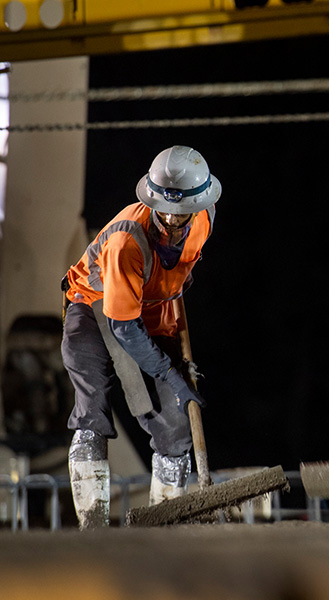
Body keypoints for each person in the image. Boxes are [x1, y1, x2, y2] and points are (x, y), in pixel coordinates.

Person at [60, 145, 221, 529]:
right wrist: (169, 374)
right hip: (96, 309)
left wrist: (175, 375)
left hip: (151, 317)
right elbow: (122, 328)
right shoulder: (125, 243)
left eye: (179, 214)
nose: (168, 220)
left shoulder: (205, 220)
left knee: (176, 426)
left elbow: (179, 275)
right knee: (93, 408)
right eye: (162, 209)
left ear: (197, 207)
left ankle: (159, 528)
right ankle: (93, 528)